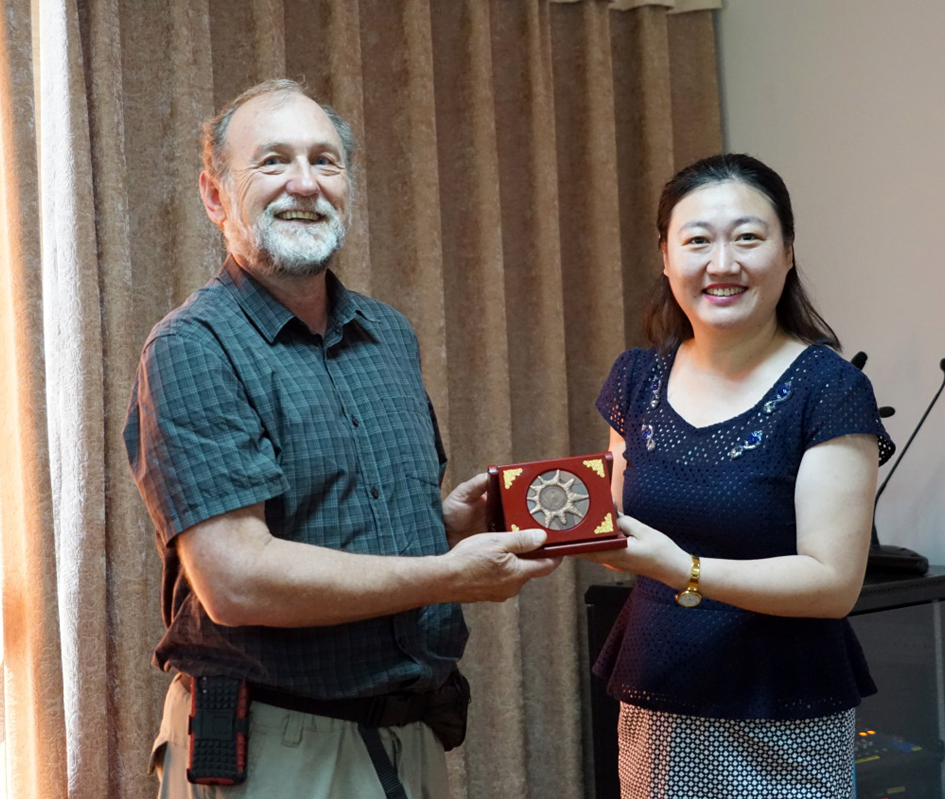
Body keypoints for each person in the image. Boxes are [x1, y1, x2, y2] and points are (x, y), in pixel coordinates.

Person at [123, 78, 560, 799]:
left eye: (324, 161)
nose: (305, 183)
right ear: (214, 196)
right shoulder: (193, 346)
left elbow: (340, 524)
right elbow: (236, 579)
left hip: (412, 736)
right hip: (277, 748)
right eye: (273, 161)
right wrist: (451, 575)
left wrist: (445, 527)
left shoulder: (388, 334)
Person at [584, 153, 895, 798]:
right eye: (697, 241)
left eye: (748, 238)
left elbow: (832, 583)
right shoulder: (636, 379)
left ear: (787, 253)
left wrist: (684, 570)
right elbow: (614, 533)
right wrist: (541, 519)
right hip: (657, 698)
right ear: (666, 257)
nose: (722, 264)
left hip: (783, 710)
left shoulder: (829, 389)